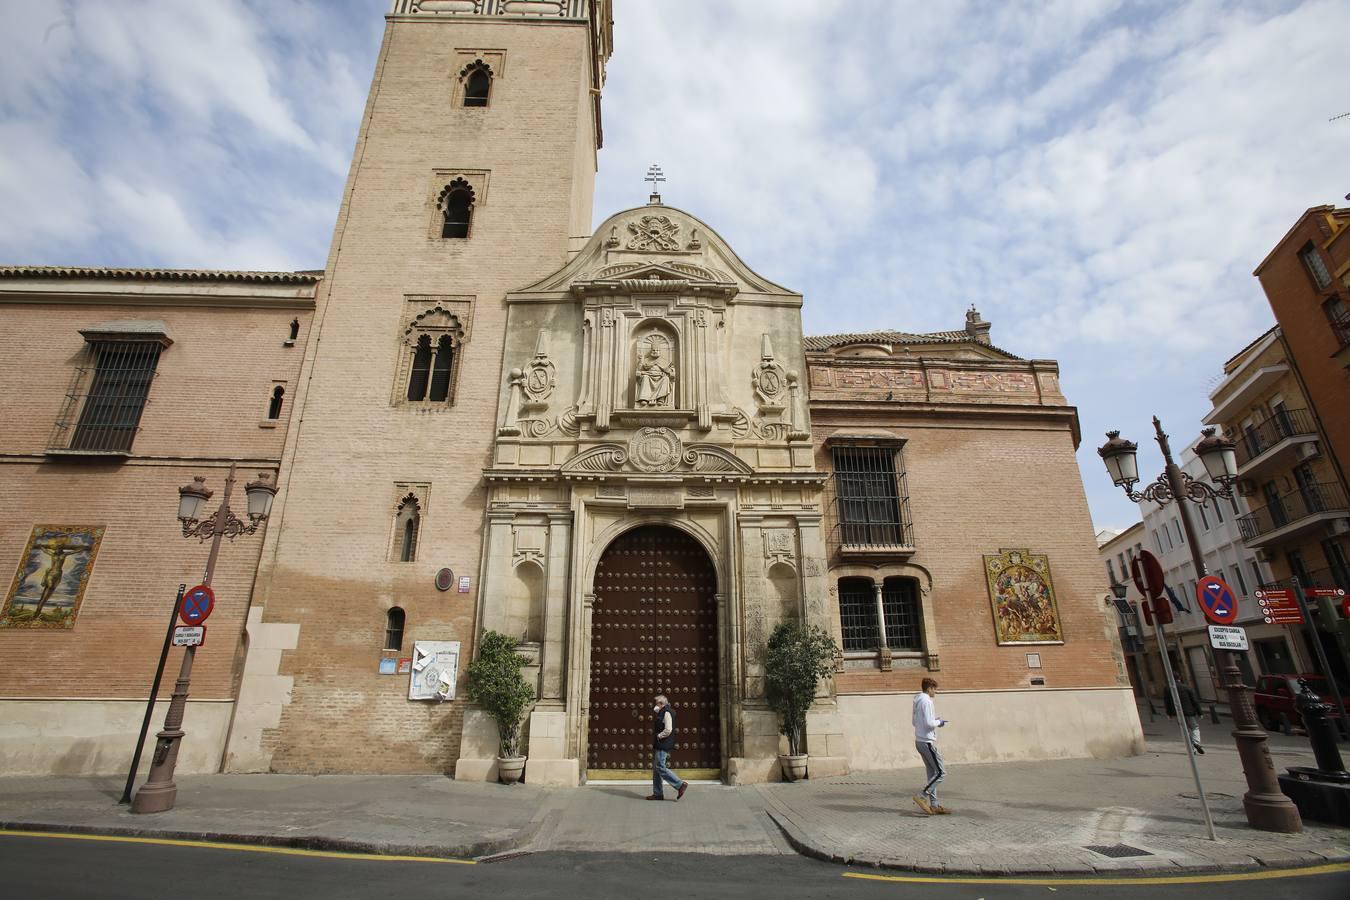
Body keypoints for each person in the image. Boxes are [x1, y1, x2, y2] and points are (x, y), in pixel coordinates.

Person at [912, 677, 950, 815]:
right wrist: (938, 722)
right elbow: (928, 723)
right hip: (927, 741)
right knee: (941, 772)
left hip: (919, 740)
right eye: (934, 689)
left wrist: (934, 721)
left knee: (932, 773)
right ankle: (922, 796)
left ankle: (934, 805)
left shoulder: (917, 701)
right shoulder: (927, 701)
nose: (935, 692)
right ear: (929, 689)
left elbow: (914, 722)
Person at [647, 694, 689, 801]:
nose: (655, 705)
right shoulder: (663, 711)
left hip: (663, 743)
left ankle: (680, 785)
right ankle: (658, 794)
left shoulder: (666, 712)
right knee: (656, 769)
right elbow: (658, 713)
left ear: (661, 704)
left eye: (657, 703)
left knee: (660, 767)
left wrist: (659, 736)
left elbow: (668, 729)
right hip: (661, 743)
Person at [1165, 681, 1204, 754]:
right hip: (1189, 712)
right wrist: (1200, 712)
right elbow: (1194, 700)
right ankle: (1196, 743)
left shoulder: (1168, 689)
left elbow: (1167, 702)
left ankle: (1192, 749)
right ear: (1179, 679)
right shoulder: (1187, 687)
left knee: (1184, 730)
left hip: (1178, 713)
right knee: (1194, 727)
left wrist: (1169, 714)